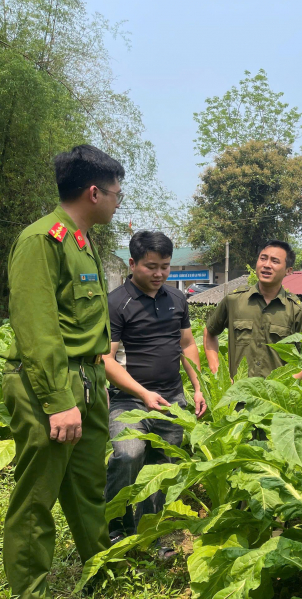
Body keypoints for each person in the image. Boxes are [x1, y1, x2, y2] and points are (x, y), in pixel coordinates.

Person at [2, 144, 123, 598]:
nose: (117, 201)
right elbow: (37, 330)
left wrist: (96, 381)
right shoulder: (41, 240)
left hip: (87, 380)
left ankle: (100, 575)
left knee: (88, 488)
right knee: (36, 499)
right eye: (115, 193)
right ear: (94, 192)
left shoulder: (80, 241)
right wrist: (58, 401)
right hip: (49, 384)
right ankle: (29, 590)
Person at [103, 231, 207, 548]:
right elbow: (106, 358)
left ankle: (150, 529)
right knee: (128, 453)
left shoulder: (177, 299)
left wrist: (198, 387)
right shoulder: (117, 302)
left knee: (163, 465)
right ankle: (115, 522)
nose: (159, 273)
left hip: (172, 399)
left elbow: (188, 345)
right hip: (129, 400)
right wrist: (144, 394)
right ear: (133, 263)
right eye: (151, 266)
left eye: (165, 266)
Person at [204, 240, 302, 378]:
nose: (267, 265)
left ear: (288, 271)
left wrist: (287, 384)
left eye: (275, 261)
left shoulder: (297, 310)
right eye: (263, 258)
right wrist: (217, 371)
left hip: (276, 397)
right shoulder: (234, 300)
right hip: (236, 396)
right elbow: (210, 332)